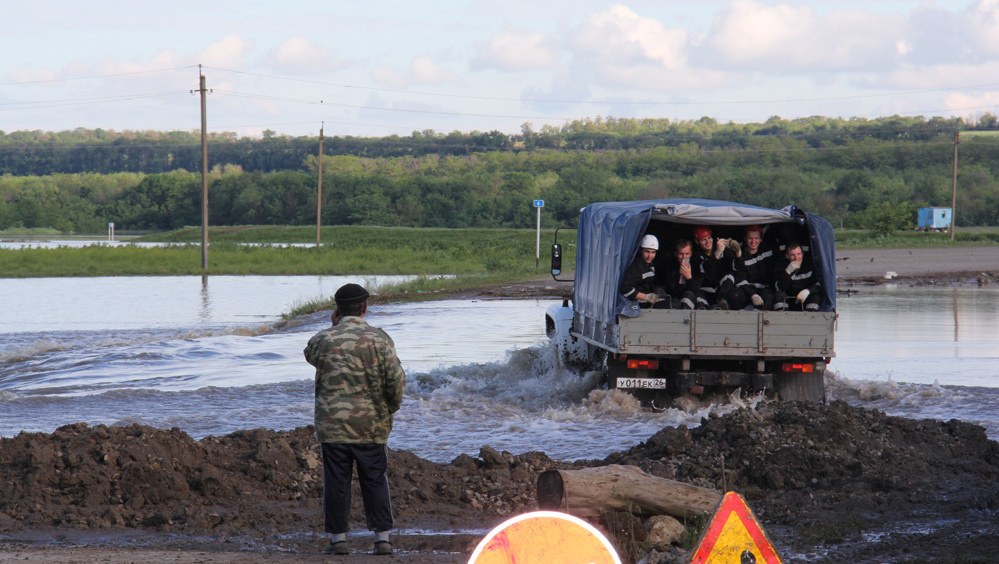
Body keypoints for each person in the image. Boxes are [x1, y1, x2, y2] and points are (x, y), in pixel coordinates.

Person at [303, 283, 406, 556]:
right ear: (365, 308)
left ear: (337, 309)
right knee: (374, 479)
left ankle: (338, 541)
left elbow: (310, 355)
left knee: (336, 482)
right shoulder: (381, 340)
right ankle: (382, 539)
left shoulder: (323, 340)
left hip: (332, 425)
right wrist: (391, 408)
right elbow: (396, 382)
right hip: (371, 424)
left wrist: (333, 326)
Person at [691, 225, 740, 310]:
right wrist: (717, 253)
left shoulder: (720, 249)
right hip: (704, 291)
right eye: (703, 240)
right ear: (697, 241)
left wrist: (737, 252)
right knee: (699, 302)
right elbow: (706, 269)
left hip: (720, 291)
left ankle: (722, 301)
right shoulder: (695, 254)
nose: (708, 242)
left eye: (709, 238)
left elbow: (736, 267)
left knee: (730, 275)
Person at [733, 225, 776, 310]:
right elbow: (739, 278)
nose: (753, 241)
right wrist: (753, 294)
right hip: (746, 290)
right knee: (735, 294)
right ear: (745, 239)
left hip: (763, 289)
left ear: (760, 239)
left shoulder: (768, 251)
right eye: (750, 238)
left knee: (769, 296)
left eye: (756, 238)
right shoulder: (739, 254)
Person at [773, 242, 822, 311]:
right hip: (788, 300)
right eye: (792, 255)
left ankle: (810, 319)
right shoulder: (781, 265)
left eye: (798, 254)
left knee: (816, 297)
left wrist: (808, 291)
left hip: (804, 299)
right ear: (787, 256)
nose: (796, 258)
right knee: (778, 296)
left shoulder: (809, 265)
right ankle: (783, 320)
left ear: (802, 254)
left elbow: (819, 284)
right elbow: (779, 288)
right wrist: (788, 271)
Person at [619, 234, 665, 306]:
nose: (650, 256)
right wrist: (646, 297)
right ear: (640, 250)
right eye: (647, 252)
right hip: (637, 304)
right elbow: (625, 289)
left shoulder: (650, 264)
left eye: (653, 252)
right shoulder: (636, 267)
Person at [659, 239, 700, 309]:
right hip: (673, 299)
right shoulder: (669, 266)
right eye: (681, 254)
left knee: (688, 294)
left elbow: (695, 292)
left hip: (689, 302)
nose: (684, 257)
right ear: (675, 254)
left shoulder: (696, 266)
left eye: (687, 254)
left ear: (691, 253)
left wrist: (689, 277)